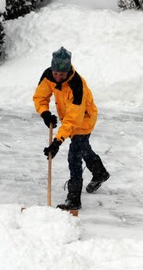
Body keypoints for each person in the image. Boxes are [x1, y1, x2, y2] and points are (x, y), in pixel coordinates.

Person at [33, 47, 110, 211]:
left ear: (68, 71)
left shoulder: (77, 85)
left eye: (62, 74)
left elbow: (73, 120)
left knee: (74, 155)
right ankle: (100, 173)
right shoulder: (48, 76)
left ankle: (74, 199)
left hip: (84, 118)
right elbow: (40, 97)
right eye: (56, 73)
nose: (58, 77)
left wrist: (57, 141)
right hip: (70, 117)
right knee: (83, 148)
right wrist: (45, 113)